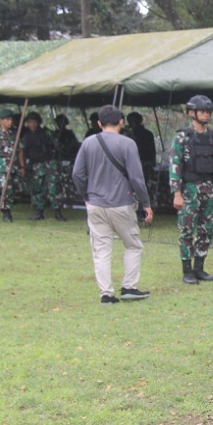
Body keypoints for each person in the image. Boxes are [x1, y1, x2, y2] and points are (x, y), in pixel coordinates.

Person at [72, 105, 153, 305]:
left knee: (101, 250)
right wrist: (146, 204)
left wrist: (86, 195)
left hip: (95, 204)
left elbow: (77, 174)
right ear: (121, 122)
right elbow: (137, 177)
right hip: (121, 203)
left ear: (99, 123)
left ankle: (106, 294)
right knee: (133, 245)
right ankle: (129, 287)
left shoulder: (88, 142)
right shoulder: (127, 143)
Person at [169, 95, 213, 285]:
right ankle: (187, 270)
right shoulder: (182, 137)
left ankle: (199, 268)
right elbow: (175, 166)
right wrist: (176, 193)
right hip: (189, 190)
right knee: (187, 230)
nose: (206, 115)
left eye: (208, 112)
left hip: (210, 189)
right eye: (202, 111)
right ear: (192, 113)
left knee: (206, 230)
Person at [19, 111, 66, 221]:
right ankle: (38, 212)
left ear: (38, 122)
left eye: (34, 122)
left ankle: (58, 212)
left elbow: (58, 145)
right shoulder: (26, 137)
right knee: (37, 188)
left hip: (50, 163)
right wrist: (23, 167)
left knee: (53, 188)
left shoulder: (46, 133)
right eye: (30, 122)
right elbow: (21, 151)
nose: (32, 124)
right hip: (36, 165)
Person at [126, 112, 157, 191]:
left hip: (144, 163)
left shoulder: (147, 134)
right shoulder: (128, 134)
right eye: (130, 121)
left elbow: (150, 150)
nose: (131, 124)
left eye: (133, 121)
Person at [0, 110, 16, 222]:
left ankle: (6, 211)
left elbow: (19, 150)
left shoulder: (13, 135)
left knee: (7, 190)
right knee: (3, 189)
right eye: (7, 120)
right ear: (1, 121)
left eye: (11, 120)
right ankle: (5, 211)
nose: (10, 122)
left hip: (9, 167)